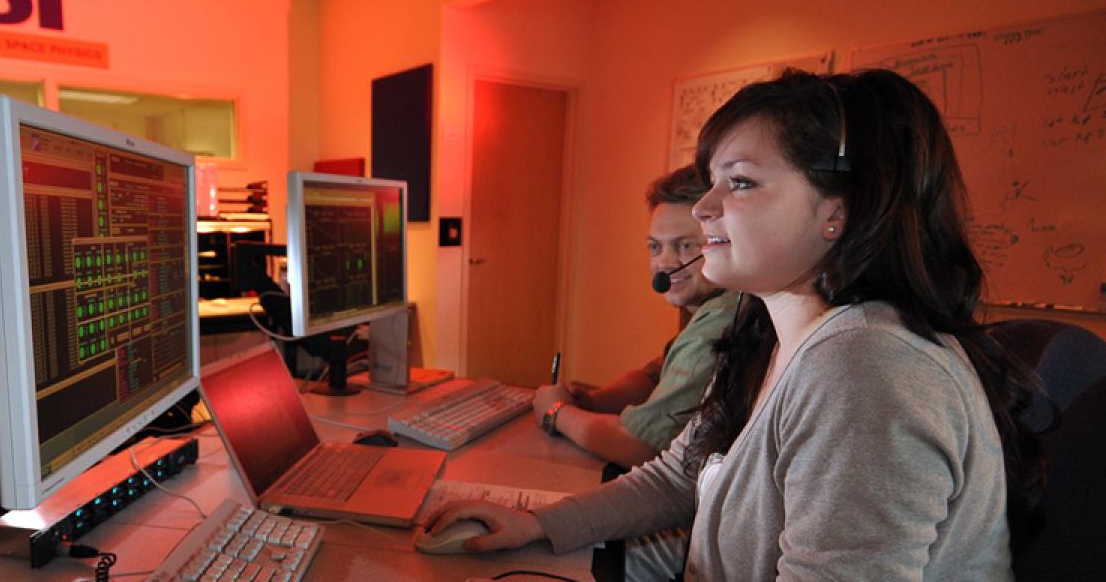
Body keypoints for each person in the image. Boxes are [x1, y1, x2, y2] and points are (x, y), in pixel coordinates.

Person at [426, 69, 1042, 581]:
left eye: (740, 182)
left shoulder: (867, 371)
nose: (704, 208)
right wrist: (538, 524)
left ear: (837, 211)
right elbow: (678, 474)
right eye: (713, 180)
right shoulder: (774, 333)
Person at [532, 165, 733, 470]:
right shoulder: (704, 306)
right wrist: (593, 402)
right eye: (655, 247)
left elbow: (639, 445)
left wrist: (556, 412)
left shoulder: (720, 322)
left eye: (685, 245)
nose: (665, 262)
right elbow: (654, 376)